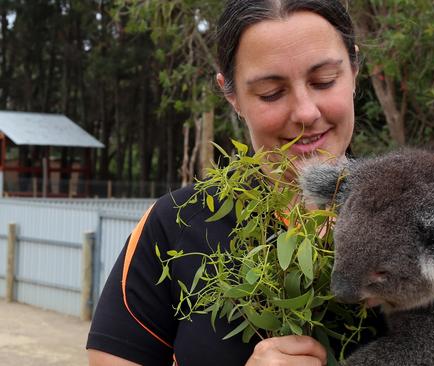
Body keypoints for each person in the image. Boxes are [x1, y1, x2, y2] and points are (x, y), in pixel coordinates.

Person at [86, 1, 373, 365]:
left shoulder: (418, 220)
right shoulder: (176, 225)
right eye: (271, 92)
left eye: (324, 81)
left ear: (355, 69)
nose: (305, 112)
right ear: (231, 94)